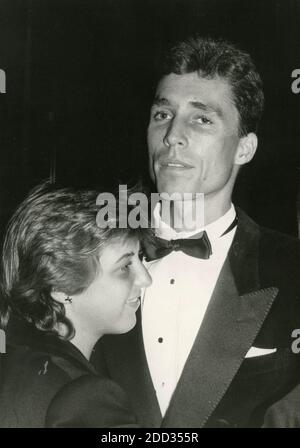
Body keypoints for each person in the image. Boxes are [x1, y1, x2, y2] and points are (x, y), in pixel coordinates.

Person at [92, 36, 300, 428]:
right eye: (162, 115)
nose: (172, 136)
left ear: (244, 148)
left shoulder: (293, 269)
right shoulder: (87, 252)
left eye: (201, 119)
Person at [0, 182, 151, 427]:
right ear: (61, 286)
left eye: (141, 258)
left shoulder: (11, 355)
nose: (146, 279)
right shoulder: (85, 395)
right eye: (125, 267)